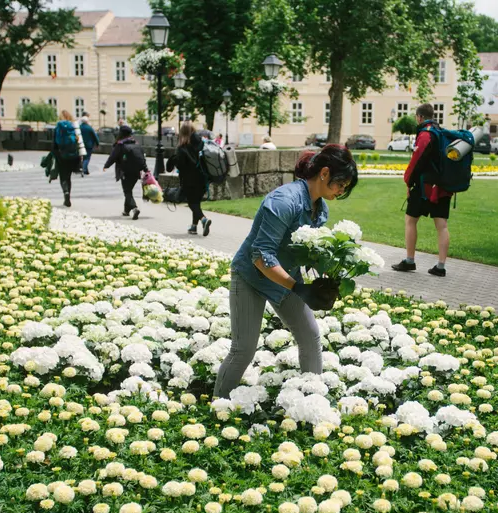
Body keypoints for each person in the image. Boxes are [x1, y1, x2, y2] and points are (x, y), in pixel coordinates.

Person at [213, 145, 358, 399]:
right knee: (243, 349)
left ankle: (313, 401)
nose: (342, 191)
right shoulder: (283, 201)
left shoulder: (320, 210)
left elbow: (306, 253)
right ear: (325, 173)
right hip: (250, 277)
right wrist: (299, 288)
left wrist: (325, 281)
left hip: (284, 279)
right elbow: (260, 256)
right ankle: (219, 406)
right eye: (341, 184)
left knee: (310, 336)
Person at [391, 103, 452, 277]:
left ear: (419, 117)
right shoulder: (441, 132)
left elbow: (416, 161)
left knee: (410, 220)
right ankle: (440, 266)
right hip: (442, 187)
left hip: (425, 187)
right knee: (442, 225)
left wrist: (408, 182)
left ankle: (409, 261)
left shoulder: (425, 134)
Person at [167, 121, 212, 236]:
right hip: (203, 179)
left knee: (192, 204)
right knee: (196, 202)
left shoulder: (182, 148)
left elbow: (179, 165)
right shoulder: (202, 143)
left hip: (189, 181)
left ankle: (204, 220)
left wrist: (174, 159)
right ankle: (193, 227)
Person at [102, 125, 145, 220]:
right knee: (129, 189)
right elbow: (142, 158)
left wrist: (106, 165)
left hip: (125, 172)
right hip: (136, 172)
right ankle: (126, 210)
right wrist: (146, 169)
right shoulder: (136, 144)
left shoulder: (120, 145)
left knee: (127, 191)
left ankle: (134, 208)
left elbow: (113, 157)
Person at [53, 110, 85, 208]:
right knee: (69, 177)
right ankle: (68, 195)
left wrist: (55, 154)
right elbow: (80, 141)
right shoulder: (74, 126)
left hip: (61, 155)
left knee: (63, 176)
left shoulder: (58, 127)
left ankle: (65, 193)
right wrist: (81, 155)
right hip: (73, 156)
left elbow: (54, 144)